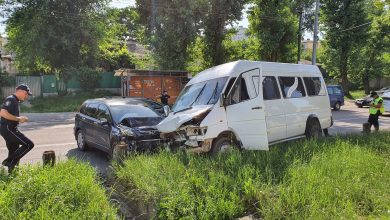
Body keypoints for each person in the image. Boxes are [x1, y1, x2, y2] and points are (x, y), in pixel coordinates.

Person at [0, 84, 34, 173]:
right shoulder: (11, 99)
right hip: (8, 129)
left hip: (10, 128)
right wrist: (18, 119)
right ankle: (9, 160)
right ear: (20, 91)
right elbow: (3, 113)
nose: (26, 96)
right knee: (29, 144)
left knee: (14, 150)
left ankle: (12, 173)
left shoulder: (15, 100)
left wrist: (20, 119)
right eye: (26, 94)